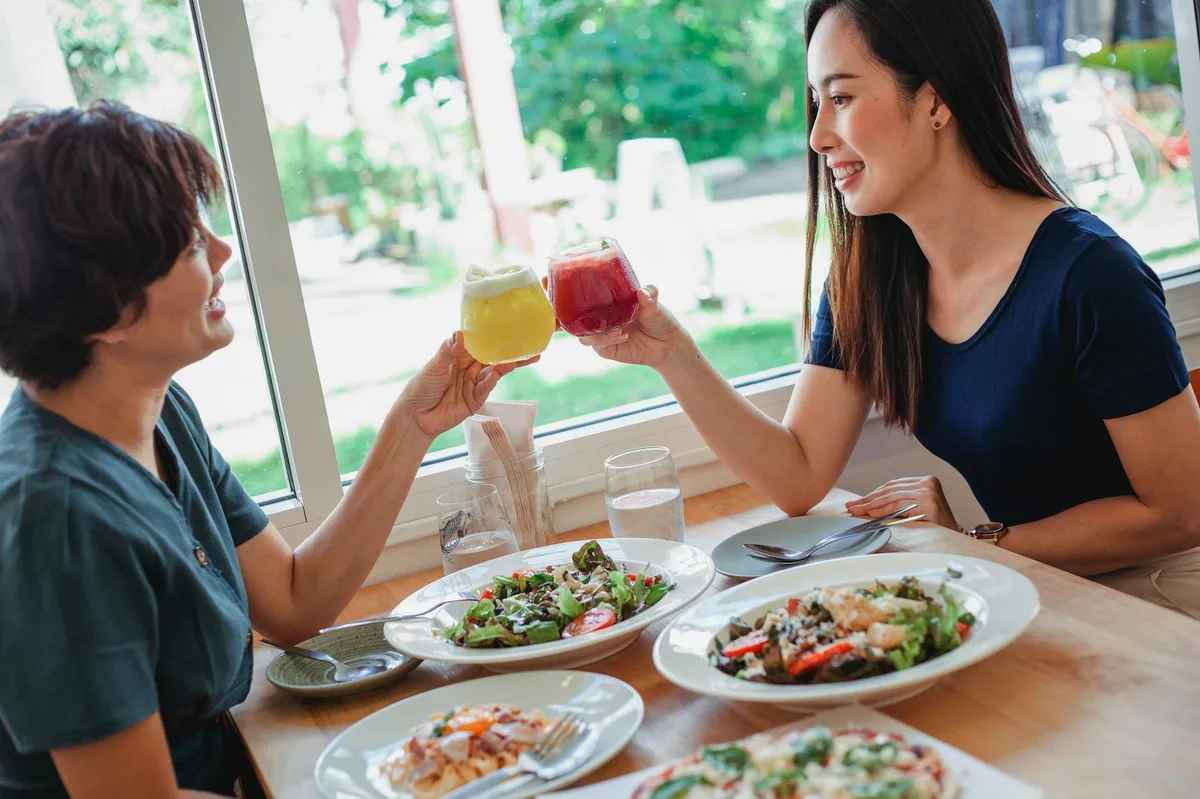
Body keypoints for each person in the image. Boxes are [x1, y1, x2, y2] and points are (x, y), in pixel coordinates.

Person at [582, 0, 1200, 618]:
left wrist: (974, 543)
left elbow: (1181, 513)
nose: (818, 135)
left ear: (934, 101)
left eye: (842, 98)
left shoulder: (1091, 275)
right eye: (815, 103)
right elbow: (797, 476)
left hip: (1156, 597)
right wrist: (674, 356)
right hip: (1032, 587)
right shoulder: (869, 278)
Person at [0, 102, 531, 797]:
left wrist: (414, 423)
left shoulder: (159, 415)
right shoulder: (55, 518)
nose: (223, 252)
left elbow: (291, 601)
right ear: (106, 310)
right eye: (190, 244)